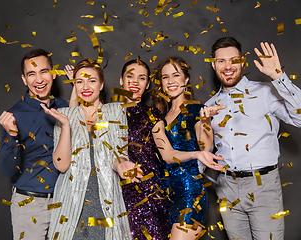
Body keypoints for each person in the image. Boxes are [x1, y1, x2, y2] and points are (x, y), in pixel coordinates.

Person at [205, 37, 301, 239]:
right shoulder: (209, 105)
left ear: (242, 62)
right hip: (226, 187)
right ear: (214, 65)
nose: (228, 66)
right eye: (221, 61)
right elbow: (204, 149)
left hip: (263, 186)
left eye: (233, 60)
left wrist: (279, 76)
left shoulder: (266, 91)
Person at [42, 59, 137, 240]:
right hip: (71, 206)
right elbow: (61, 166)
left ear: (101, 85)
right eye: (79, 81)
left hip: (105, 203)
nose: (85, 86)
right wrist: (66, 126)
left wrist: (123, 165)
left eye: (91, 80)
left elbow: (119, 154)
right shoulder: (64, 115)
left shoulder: (116, 111)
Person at [0, 49, 68, 240]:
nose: (39, 80)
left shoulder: (65, 108)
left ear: (52, 73)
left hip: (65, 202)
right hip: (28, 205)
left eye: (43, 71)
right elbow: (8, 169)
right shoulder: (14, 115)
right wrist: (11, 136)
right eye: (31, 74)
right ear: (24, 79)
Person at [152, 56, 225, 240]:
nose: (170, 81)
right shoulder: (159, 119)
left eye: (175, 75)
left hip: (190, 192)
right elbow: (167, 155)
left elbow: (205, 146)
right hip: (165, 196)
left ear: (185, 80)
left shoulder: (196, 110)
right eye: (165, 77)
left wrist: (206, 120)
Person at [118, 59, 171, 239]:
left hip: (149, 195)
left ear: (147, 84)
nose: (134, 82)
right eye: (130, 76)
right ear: (121, 80)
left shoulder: (154, 115)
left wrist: (196, 153)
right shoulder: (107, 114)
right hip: (117, 195)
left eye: (141, 78)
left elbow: (167, 153)